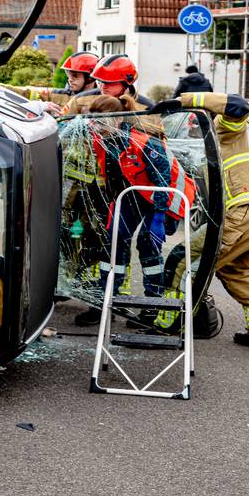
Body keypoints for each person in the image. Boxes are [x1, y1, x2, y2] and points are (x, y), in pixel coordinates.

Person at [151, 91, 249, 351]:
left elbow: (237, 105)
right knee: (235, 267)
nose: (193, 133)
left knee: (183, 259)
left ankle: (169, 323)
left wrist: (183, 101)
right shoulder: (248, 140)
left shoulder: (229, 128)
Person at [72, 95, 196, 326]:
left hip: (166, 195)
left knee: (148, 243)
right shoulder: (102, 140)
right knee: (114, 243)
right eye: (91, 120)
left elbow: (163, 181)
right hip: (134, 194)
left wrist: (159, 216)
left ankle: (152, 307)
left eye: (99, 121)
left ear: (117, 119)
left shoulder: (145, 143)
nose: (94, 126)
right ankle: (103, 302)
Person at [61, 54, 153, 115]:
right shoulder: (79, 100)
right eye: (100, 81)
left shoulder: (147, 108)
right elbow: (61, 125)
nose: (103, 87)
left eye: (109, 82)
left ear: (126, 82)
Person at [7, 51, 99, 106]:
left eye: (75, 76)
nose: (70, 79)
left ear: (90, 78)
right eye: (69, 75)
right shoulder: (62, 95)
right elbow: (28, 92)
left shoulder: (101, 102)